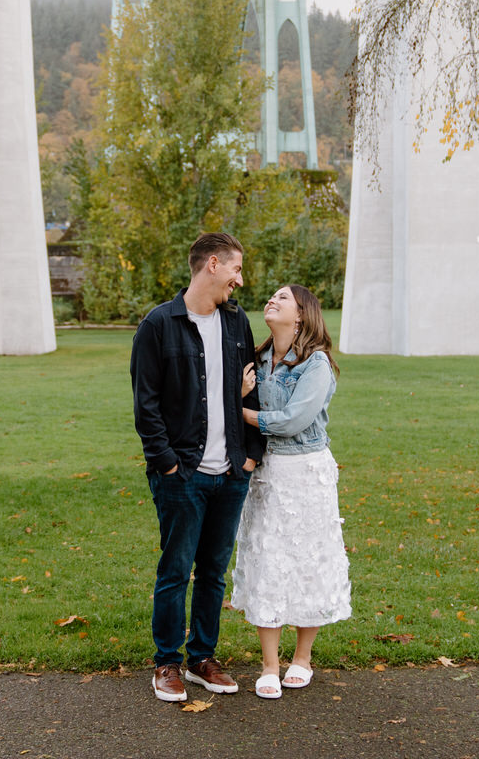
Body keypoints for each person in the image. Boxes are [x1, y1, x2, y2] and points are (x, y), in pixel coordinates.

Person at [130, 233, 265, 703]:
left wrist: (248, 456)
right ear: (212, 264)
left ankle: (202, 658)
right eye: (236, 270)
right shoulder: (158, 326)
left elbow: (253, 389)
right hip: (181, 476)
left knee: (213, 572)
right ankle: (167, 663)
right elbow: (146, 406)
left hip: (230, 473)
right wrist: (166, 464)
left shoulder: (235, 323)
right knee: (175, 569)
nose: (240, 281)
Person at [230, 283, 351, 699]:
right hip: (267, 473)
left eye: (283, 298)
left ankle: (302, 658)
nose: (272, 300)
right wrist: (242, 400)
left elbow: (292, 420)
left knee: (307, 560)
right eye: (273, 296)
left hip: (306, 471)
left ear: (301, 315)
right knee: (268, 559)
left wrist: (240, 412)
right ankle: (268, 664)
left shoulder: (315, 364)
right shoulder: (258, 358)